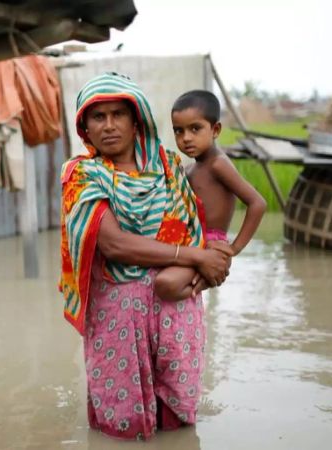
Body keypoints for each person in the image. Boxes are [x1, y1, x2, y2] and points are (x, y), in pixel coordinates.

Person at [59, 73, 231, 441]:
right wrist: (196, 258)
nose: (108, 126)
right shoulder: (82, 176)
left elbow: (197, 227)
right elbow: (115, 245)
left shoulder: (170, 167)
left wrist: (207, 264)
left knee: (179, 415)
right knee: (121, 423)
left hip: (176, 303)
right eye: (97, 117)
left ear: (136, 119)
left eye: (118, 114)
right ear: (84, 127)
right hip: (116, 312)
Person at [154, 90, 266, 301]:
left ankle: (203, 284)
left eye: (195, 129)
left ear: (215, 130)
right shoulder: (189, 169)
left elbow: (257, 203)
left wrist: (233, 249)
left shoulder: (218, 164)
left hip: (212, 245)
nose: (186, 138)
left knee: (164, 284)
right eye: (179, 131)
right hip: (190, 244)